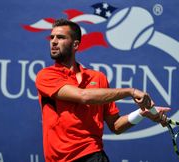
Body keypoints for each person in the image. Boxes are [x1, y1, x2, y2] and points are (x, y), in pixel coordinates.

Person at [35, 19, 170, 162]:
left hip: (92, 155)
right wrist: (130, 91)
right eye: (52, 37)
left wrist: (142, 113)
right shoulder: (46, 75)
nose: (53, 41)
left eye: (60, 37)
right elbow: (84, 96)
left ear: (75, 45)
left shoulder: (98, 78)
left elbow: (116, 126)